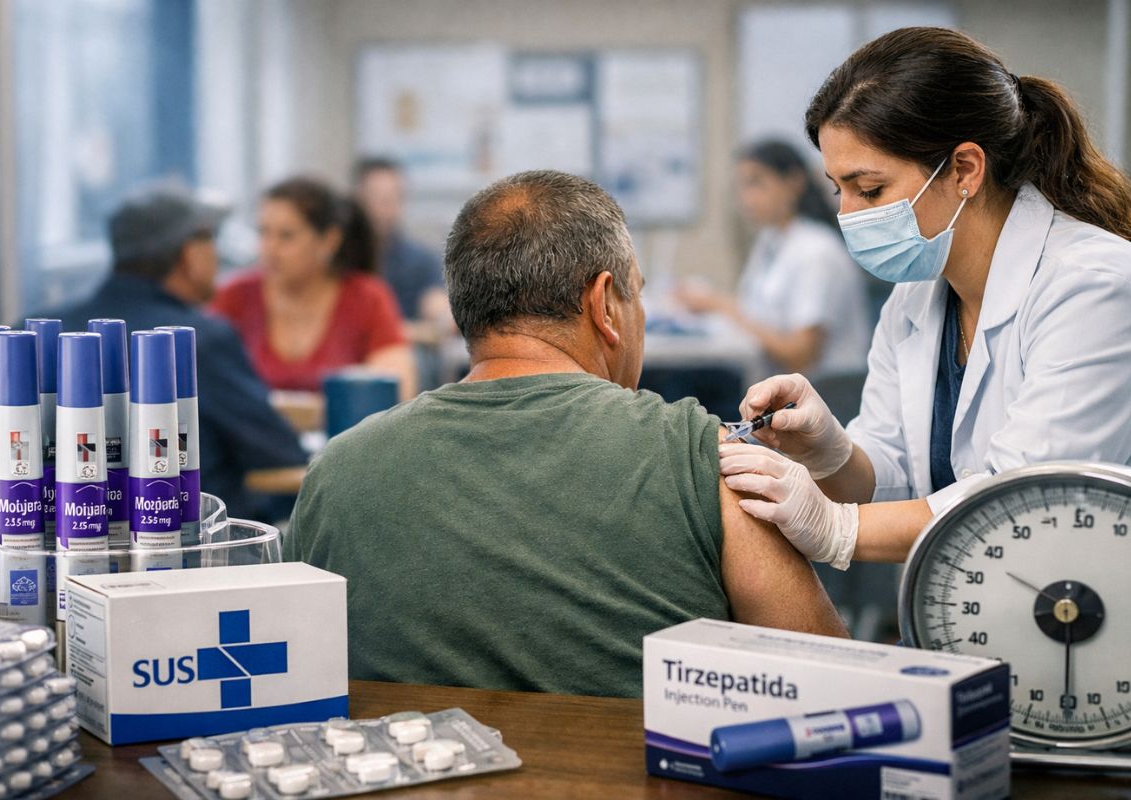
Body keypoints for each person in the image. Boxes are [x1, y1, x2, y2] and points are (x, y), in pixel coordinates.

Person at [284, 170, 846, 698]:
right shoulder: (705, 459)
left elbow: (292, 685)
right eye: (636, 294)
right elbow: (833, 690)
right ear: (604, 305)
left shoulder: (337, 471)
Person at [718, 27, 1131, 569]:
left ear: (964, 170)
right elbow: (892, 476)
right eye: (838, 189)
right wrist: (831, 453)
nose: (847, 215)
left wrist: (835, 527)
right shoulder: (916, 298)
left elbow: (1020, 502)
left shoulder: (1093, 285)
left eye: (870, 190)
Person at [43, 181, 309, 518]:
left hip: (61, 535)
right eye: (212, 238)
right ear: (189, 254)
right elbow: (279, 454)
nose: (217, 254)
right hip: (187, 536)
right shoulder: (197, 341)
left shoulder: (38, 332)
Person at [209, 176, 417, 401]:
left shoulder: (367, 298)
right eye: (263, 233)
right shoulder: (234, 296)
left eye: (286, 236)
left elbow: (398, 390)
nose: (269, 249)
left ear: (329, 240)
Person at [675, 139, 870, 379]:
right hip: (770, 379)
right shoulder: (771, 239)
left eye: (756, 183)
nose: (746, 198)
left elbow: (800, 356)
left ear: (794, 182)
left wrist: (722, 306)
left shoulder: (818, 251)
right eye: (742, 186)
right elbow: (756, 311)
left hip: (820, 391)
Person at [353, 157, 451, 324]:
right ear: (358, 199)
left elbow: (436, 304)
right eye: (377, 197)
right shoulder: (339, 260)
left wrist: (442, 316)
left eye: (394, 197)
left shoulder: (421, 261)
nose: (386, 207)